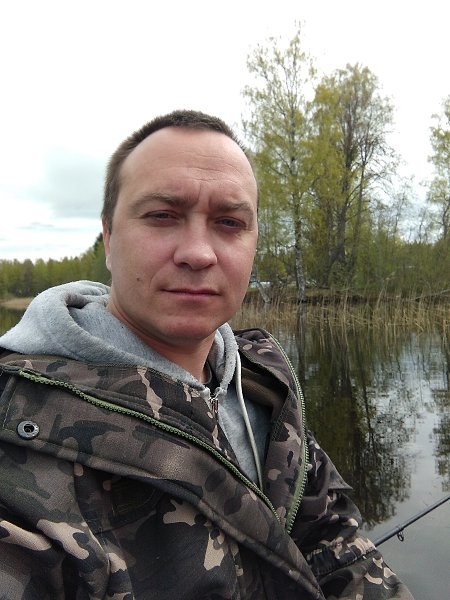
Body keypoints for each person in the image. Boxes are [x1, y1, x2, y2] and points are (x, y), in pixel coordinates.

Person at [0, 110, 413, 599]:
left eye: (229, 222)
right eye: (162, 215)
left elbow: (335, 543)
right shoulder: (16, 431)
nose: (198, 253)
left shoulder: (266, 386)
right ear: (109, 238)